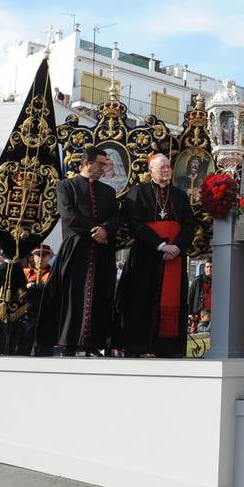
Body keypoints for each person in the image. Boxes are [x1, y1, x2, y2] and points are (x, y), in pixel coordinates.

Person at [115, 153, 196, 358]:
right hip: (146, 255)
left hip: (174, 258)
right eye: (161, 167)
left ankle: (167, 348)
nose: (166, 170)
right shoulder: (138, 192)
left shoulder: (179, 195)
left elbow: (189, 226)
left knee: (172, 301)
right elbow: (134, 223)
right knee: (141, 299)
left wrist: (176, 247)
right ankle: (137, 346)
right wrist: (160, 245)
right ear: (150, 170)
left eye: (168, 167)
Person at [42, 147, 121, 356]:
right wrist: (95, 231)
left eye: (105, 164)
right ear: (87, 163)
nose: (104, 168)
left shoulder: (108, 191)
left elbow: (116, 218)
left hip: (101, 251)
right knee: (72, 295)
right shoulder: (66, 186)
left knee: (99, 294)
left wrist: (105, 230)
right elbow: (69, 215)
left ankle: (92, 342)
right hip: (76, 248)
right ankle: (68, 342)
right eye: (101, 164)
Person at [189, 262, 213, 328]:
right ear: (204, 269)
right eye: (207, 267)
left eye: (211, 267)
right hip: (199, 316)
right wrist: (190, 313)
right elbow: (190, 298)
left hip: (213, 314)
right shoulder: (197, 282)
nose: (209, 269)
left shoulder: (218, 282)